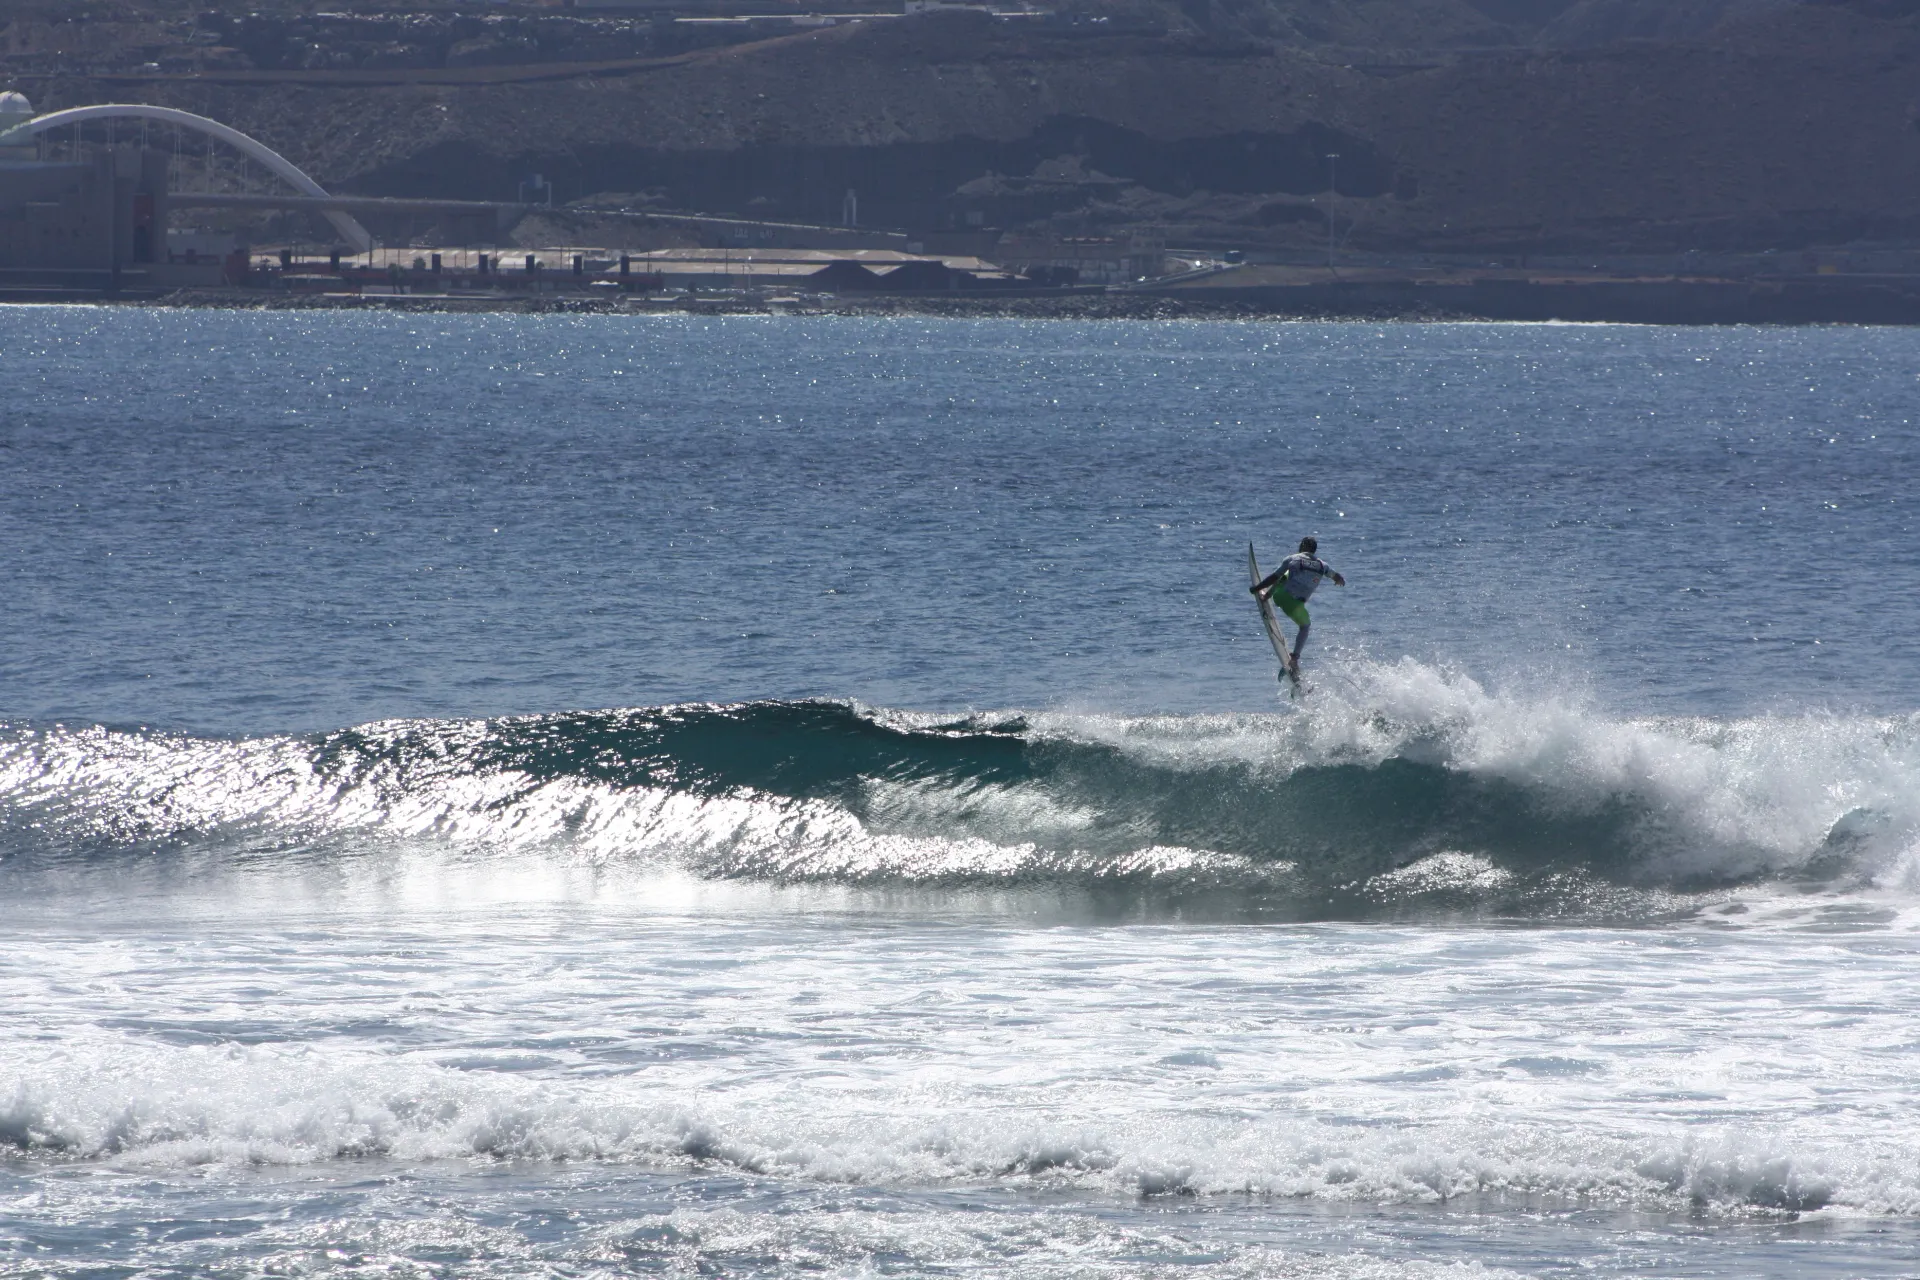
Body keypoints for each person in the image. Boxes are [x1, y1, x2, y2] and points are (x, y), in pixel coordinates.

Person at [1250, 536, 1345, 665]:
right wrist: (1339, 580)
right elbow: (1337, 576)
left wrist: (1257, 588)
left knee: (1285, 575)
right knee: (1305, 626)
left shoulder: (1293, 559)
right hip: (1296, 607)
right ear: (1314, 550)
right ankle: (1295, 657)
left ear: (1302, 547)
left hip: (1280, 596)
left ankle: (1266, 596)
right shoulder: (1323, 566)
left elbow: (1274, 577)